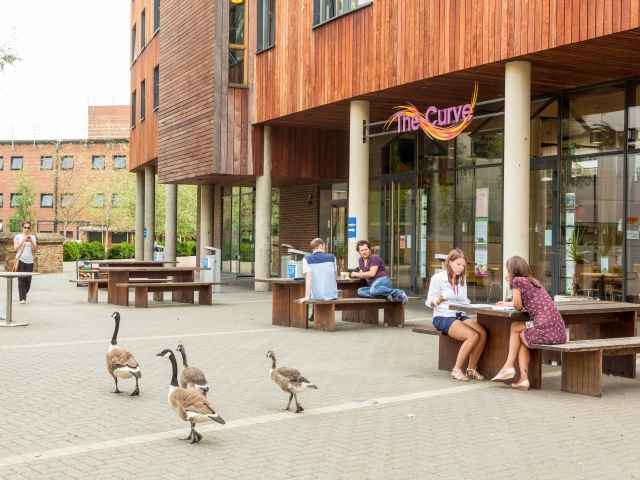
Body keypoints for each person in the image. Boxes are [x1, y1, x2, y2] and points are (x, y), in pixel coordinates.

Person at [491, 256, 567, 390]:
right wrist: (508, 303)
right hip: (558, 331)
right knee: (518, 330)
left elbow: (518, 307)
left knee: (516, 328)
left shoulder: (517, 281)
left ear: (511, 270)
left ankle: (510, 367)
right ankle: (522, 379)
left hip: (545, 331)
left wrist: (510, 284)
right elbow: (524, 302)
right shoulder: (534, 281)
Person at [426, 248, 487, 382]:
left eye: (463, 265)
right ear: (450, 262)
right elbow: (429, 301)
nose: (461, 268)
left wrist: (466, 301)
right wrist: (438, 300)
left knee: (482, 333)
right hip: (443, 316)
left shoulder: (461, 280)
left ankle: (471, 369)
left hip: (459, 314)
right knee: (473, 335)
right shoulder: (438, 278)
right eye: (458, 264)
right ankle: (457, 369)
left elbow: (463, 300)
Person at [351, 240, 407, 305]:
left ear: (369, 250)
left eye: (366, 249)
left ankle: (398, 293)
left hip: (383, 281)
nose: (364, 252)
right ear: (359, 252)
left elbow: (372, 274)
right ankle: (385, 295)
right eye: (362, 250)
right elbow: (362, 274)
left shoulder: (374, 257)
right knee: (360, 291)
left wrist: (358, 274)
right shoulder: (360, 260)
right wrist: (354, 275)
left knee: (373, 290)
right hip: (373, 286)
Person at [298, 238, 338, 304]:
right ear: (321, 246)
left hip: (316, 296)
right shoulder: (332, 257)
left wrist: (306, 297)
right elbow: (335, 275)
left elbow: (309, 278)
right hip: (331, 295)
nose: (325, 248)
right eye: (324, 246)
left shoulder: (306, 259)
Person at [13, 221, 37, 304]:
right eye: (25, 227)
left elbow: (35, 248)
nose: (26, 229)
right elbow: (15, 248)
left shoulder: (32, 237)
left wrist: (31, 241)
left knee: (28, 280)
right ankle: (22, 298)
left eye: (28, 227)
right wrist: (22, 241)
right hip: (20, 260)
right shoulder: (17, 237)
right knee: (21, 279)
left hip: (29, 261)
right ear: (22, 228)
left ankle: (23, 293)